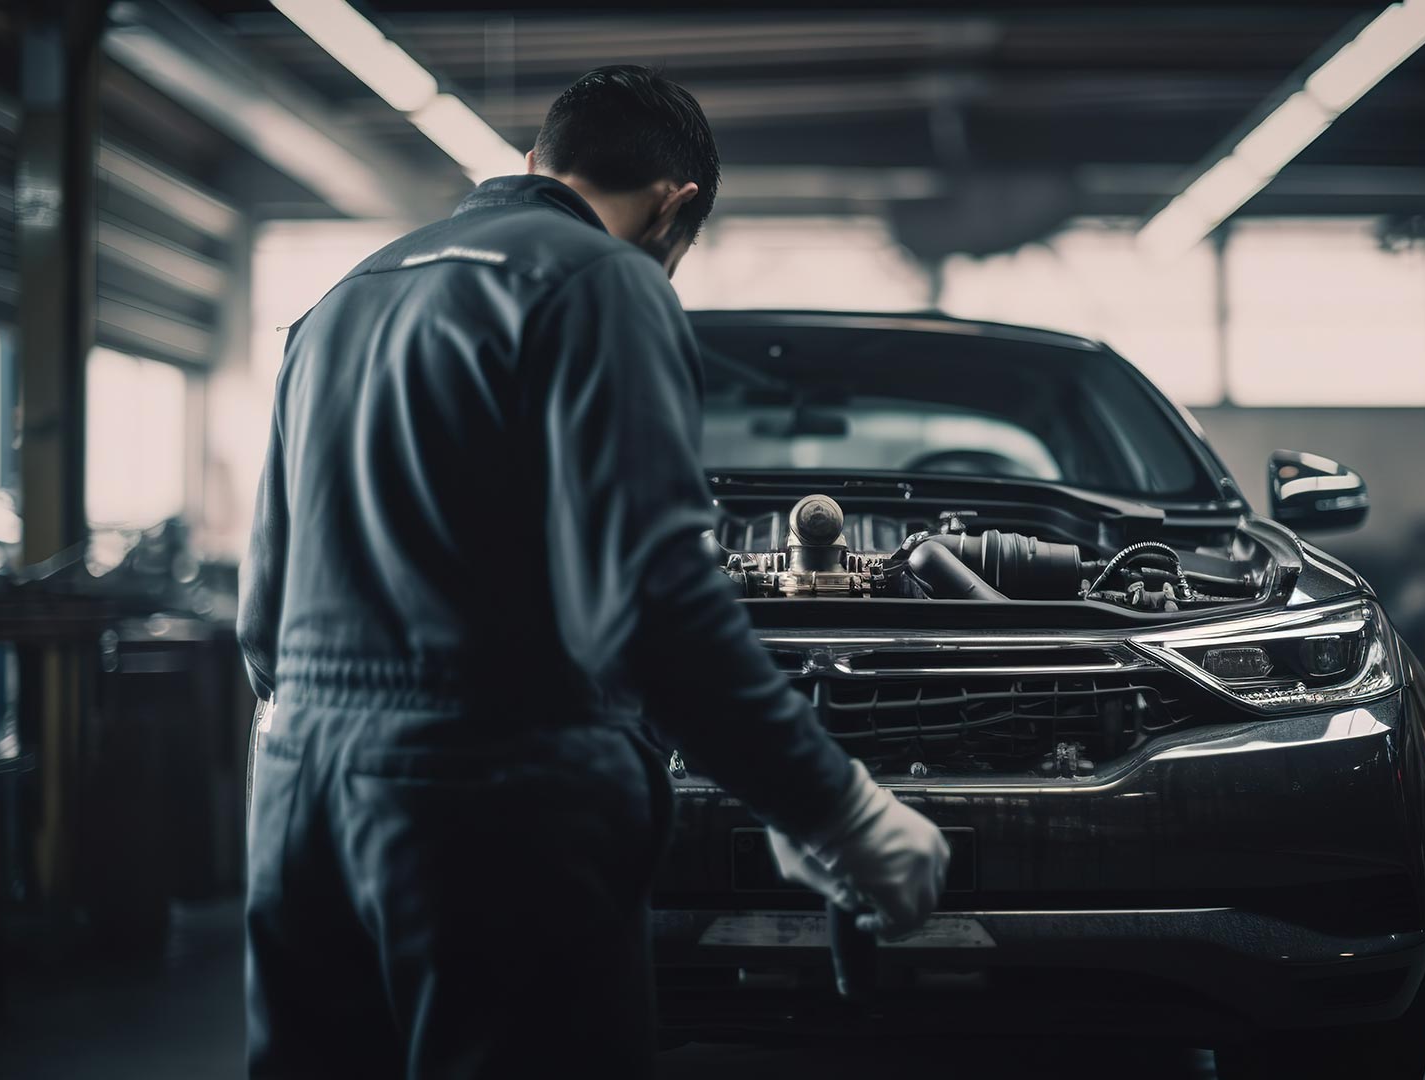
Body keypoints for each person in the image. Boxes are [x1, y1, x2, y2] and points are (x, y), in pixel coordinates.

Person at [237, 65, 949, 1079]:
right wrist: (833, 809)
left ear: (538, 162)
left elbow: (262, 614)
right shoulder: (601, 281)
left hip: (300, 799)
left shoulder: (339, 304)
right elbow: (655, 607)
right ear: (674, 207)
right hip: (492, 811)